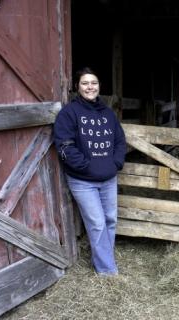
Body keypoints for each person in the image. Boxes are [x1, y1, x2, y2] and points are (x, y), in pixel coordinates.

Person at [54, 67, 127, 276]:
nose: (90, 87)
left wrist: (115, 164)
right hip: (83, 181)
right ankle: (107, 271)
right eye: (85, 83)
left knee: (110, 220)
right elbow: (64, 145)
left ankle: (105, 259)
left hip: (108, 178)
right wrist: (86, 166)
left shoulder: (108, 114)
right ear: (77, 86)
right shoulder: (69, 113)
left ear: (99, 86)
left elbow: (120, 141)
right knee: (96, 223)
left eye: (93, 83)